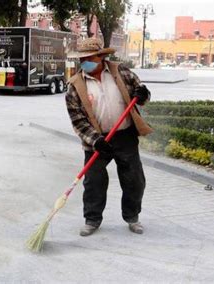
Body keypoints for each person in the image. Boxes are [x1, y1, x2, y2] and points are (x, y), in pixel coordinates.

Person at [65, 38, 153, 237]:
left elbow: (142, 95)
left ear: (101, 57)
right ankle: (92, 219)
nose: (85, 62)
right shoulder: (74, 86)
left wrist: (143, 94)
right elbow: (77, 120)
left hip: (124, 135)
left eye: (89, 58)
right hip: (97, 141)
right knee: (93, 182)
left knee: (134, 179)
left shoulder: (121, 72)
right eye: (82, 59)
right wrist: (95, 140)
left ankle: (132, 217)